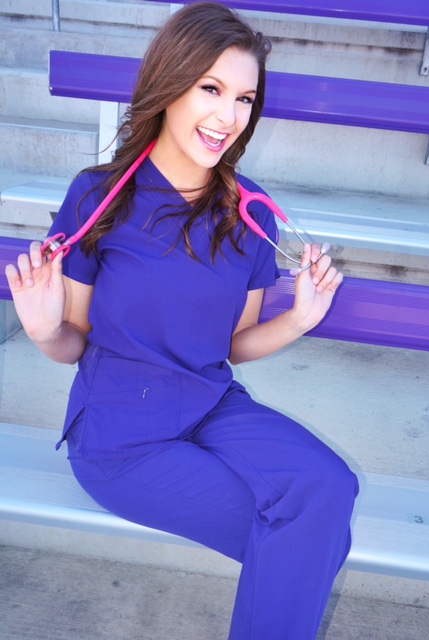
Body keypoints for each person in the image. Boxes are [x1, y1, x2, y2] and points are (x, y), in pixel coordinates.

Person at [5, 3, 359, 638]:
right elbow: (72, 341)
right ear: (169, 85)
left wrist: (300, 319)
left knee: (329, 488)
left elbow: (233, 344)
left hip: (212, 403)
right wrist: (42, 329)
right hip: (122, 434)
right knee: (301, 538)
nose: (229, 116)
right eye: (211, 89)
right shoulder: (98, 196)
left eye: (245, 98)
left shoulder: (251, 215)